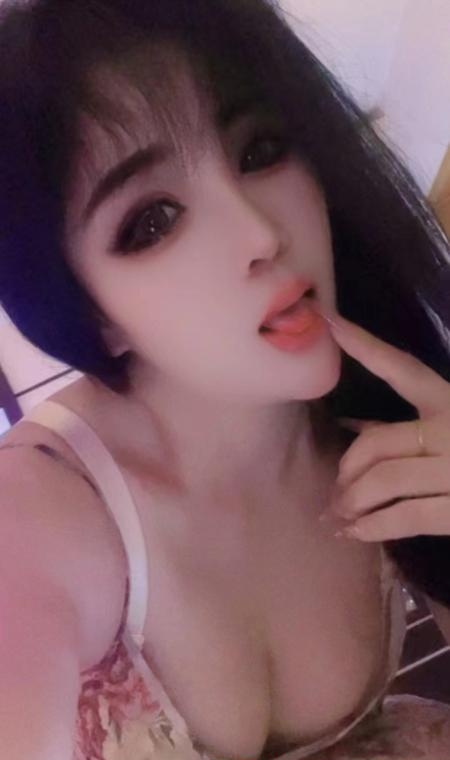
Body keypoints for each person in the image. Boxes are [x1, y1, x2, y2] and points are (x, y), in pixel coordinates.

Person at [1, 1, 450, 758]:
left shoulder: (386, 415)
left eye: (261, 150)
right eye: (153, 220)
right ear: (89, 310)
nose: (262, 234)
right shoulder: (41, 515)